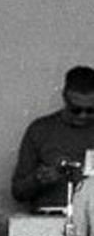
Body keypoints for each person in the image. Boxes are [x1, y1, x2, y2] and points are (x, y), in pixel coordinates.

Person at [12, 65, 94, 212]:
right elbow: (18, 192)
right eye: (75, 109)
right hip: (50, 217)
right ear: (64, 98)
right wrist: (38, 179)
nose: (83, 115)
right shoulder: (40, 130)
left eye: (91, 110)